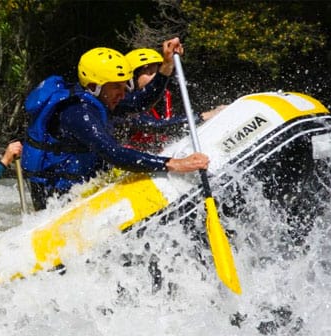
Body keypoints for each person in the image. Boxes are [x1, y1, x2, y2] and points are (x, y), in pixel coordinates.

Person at [21, 38, 210, 211]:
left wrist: (167, 65)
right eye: (116, 86)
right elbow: (113, 153)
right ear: (94, 86)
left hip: (81, 187)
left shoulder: (100, 97)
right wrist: (174, 163)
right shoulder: (77, 113)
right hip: (56, 199)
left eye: (124, 85)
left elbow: (140, 102)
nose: (123, 93)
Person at [118, 47, 226, 151]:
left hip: (162, 150)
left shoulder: (166, 95)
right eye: (149, 73)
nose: (155, 77)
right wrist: (203, 116)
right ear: (132, 79)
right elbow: (157, 126)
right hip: (135, 160)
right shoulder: (124, 104)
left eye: (156, 72)